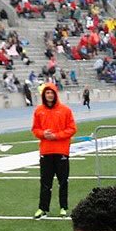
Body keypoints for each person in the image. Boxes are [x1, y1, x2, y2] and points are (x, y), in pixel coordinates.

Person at [32, 83, 76, 219]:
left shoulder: (65, 110)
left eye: (51, 93)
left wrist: (57, 136)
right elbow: (35, 129)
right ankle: (43, 208)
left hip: (61, 151)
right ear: (44, 95)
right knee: (45, 182)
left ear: (55, 94)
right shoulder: (39, 111)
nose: (49, 95)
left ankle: (63, 207)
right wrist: (43, 134)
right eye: (47, 93)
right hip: (46, 151)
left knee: (63, 181)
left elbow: (72, 129)